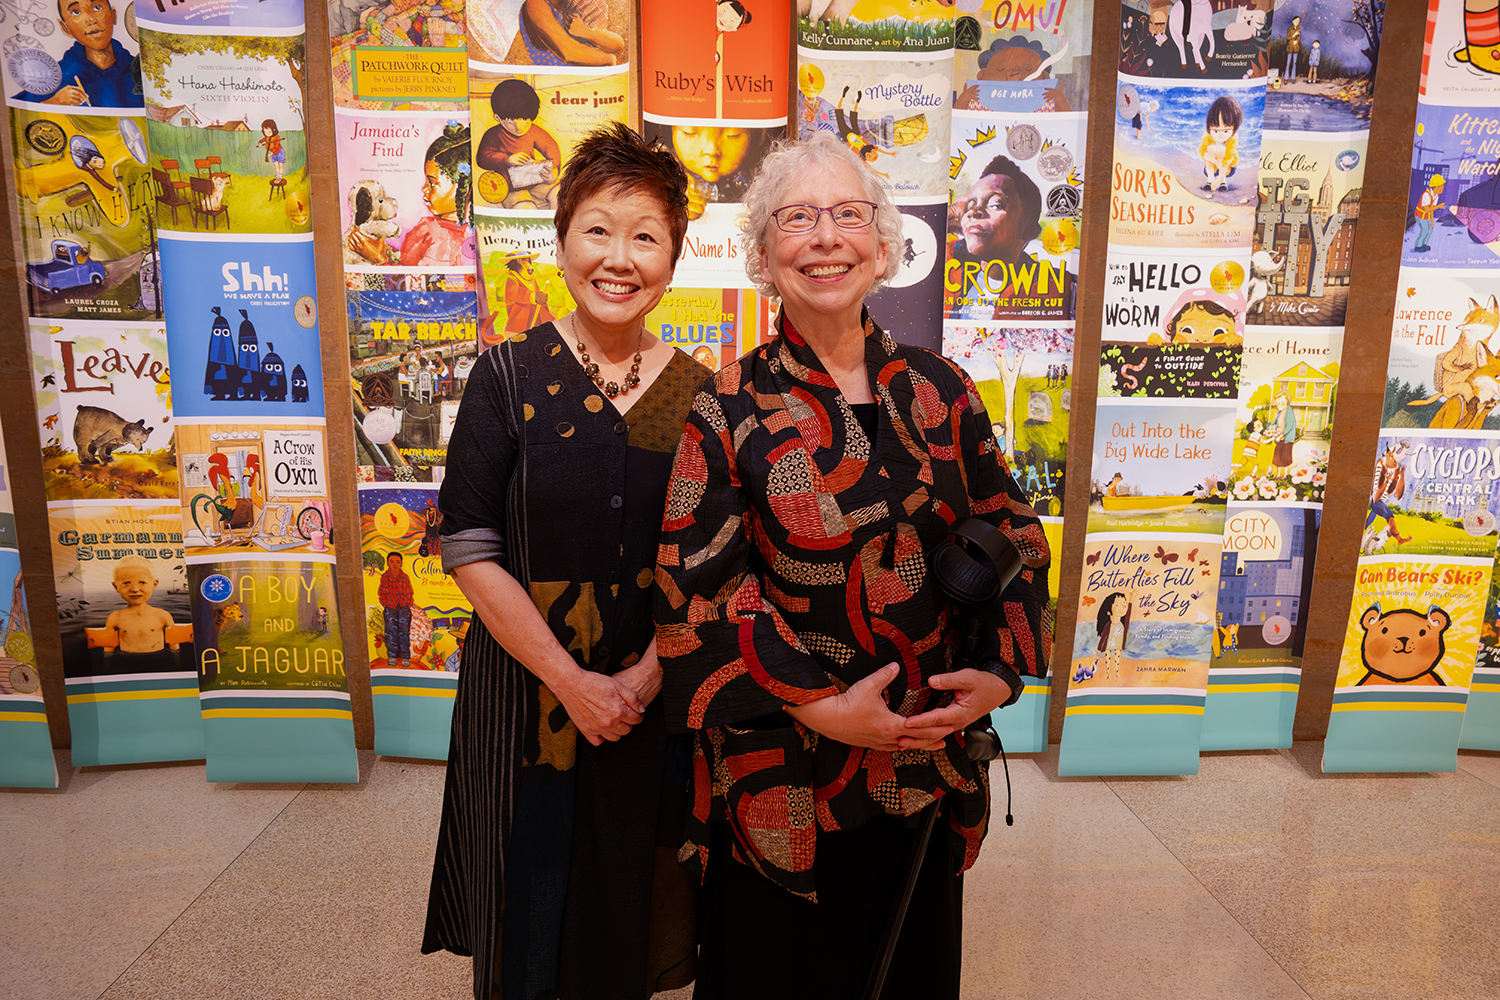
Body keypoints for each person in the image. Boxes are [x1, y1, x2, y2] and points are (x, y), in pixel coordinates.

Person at [654, 131, 1051, 1000]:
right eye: (796, 218)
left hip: (925, 762)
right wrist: (826, 707)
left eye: (847, 216)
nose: (824, 237)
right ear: (765, 254)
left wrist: (996, 674)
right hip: (790, 771)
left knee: (906, 971)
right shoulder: (725, 406)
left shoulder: (943, 389)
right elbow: (700, 589)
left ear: (884, 245)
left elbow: (1011, 530)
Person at [424, 122, 709, 1000]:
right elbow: (469, 545)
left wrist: (640, 682)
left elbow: (709, 562)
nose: (618, 258)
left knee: (627, 909)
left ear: (673, 258)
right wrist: (575, 683)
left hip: (648, 707)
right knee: (528, 912)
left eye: (645, 236)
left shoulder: (699, 392)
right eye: (597, 229)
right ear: (560, 241)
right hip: (524, 701)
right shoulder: (507, 376)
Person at [946, 154, 1074, 321]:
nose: (974, 212)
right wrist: (953, 213)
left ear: (1029, 231)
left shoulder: (1050, 287)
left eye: (995, 204)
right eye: (971, 204)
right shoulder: (950, 261)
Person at [11, 0, 142, 108]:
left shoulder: (139, 72)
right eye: (76, 12)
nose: (91, 19)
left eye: (97, 7)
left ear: (113, 15)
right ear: (65, 28)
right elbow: (15, 112)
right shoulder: (57, 77)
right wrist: (52, 103)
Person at [476, 80, 563, 209]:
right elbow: (482, 158)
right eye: (511, 123)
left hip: (535, 182)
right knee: (525, 207)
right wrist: (507, 159)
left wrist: (553, 171)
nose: (519, 128)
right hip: (511, 188)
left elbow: (551, 147)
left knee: (558, 193)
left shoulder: (533, 131)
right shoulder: (493, 134)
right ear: (498, 118)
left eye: (526, 121)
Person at [104, 556, 178, 667]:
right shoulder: (115, 617)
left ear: (154, 584)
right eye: (126, 583)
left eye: (142, 582)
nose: (135, 589)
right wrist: (106, 669)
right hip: (125, 661)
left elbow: (175, 648)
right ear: (116, 586)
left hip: (158, 660)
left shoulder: (163, 616)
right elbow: (108, 650)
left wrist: (178, 665)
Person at [1198, 96, 1242, 193]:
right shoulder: (1207, 136)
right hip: (1211, 168)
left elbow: (1229, 158)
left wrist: (1220, 178)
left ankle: (1223, 183)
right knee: (1210, 148)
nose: (1221, 135)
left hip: (1227, 168)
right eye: (1216, 130)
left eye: (1226, 130)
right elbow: (1202, 153)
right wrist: (1216, 163)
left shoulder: (1233, 138)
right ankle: (1209, 181)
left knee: (1222, 150)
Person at [379, 552, 414, 668]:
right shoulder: (385, 577)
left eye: (398, 562)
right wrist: (386, 604)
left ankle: (405, 656)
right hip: (390, 607)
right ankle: (392, 656)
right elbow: (381, 593)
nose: (395, 564)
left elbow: (410, 591)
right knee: (390, 632)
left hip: (404, 607)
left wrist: (408, 603)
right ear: (388, 563)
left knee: (404, 632)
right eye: (392, 561)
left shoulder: (405, 577)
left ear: (401, 564)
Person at [1414, 174, 1445, 253]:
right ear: (1434, 187)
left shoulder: (1436, 196)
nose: (1441, 188)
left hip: (1427, 216)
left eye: (1442, 186)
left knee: (1430, 229)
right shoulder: (1426, 195)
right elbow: (1427, 209)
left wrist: (1432, 221)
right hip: (1420, 216)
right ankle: (1418, 245)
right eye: (1439, 187)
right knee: (1425, 230)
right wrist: (1439, 206)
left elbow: (1432, 209)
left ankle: (1424, 244)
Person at [1284, 15, 1302, 81]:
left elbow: (1299, 37)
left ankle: (1293, 77)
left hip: (1295, 48)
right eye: (1296, 21)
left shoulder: (1298, 29)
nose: (1297, 22)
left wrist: (1296, 41)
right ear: (1293, 21)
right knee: (1288, 63)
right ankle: (1286, 77)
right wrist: (1294, 35)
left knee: (1294, 63)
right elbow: (1288, 37)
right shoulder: (1290, 29)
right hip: (1290, 48)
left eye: (1298, 21)